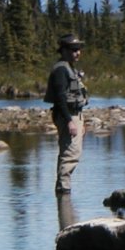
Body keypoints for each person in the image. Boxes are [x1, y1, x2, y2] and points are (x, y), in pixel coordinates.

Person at [45, 33, 88, 194]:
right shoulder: (61, 70)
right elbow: (60, 98)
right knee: (70, 153)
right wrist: (69, 121)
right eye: (73, 49)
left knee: (71, 152)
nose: (77, 52)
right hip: (68, 115)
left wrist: (82, 121)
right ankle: (63, 190)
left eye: (78, 49)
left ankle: (63, 191)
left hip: (75, 115)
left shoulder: (68, 67)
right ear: (63, 50)